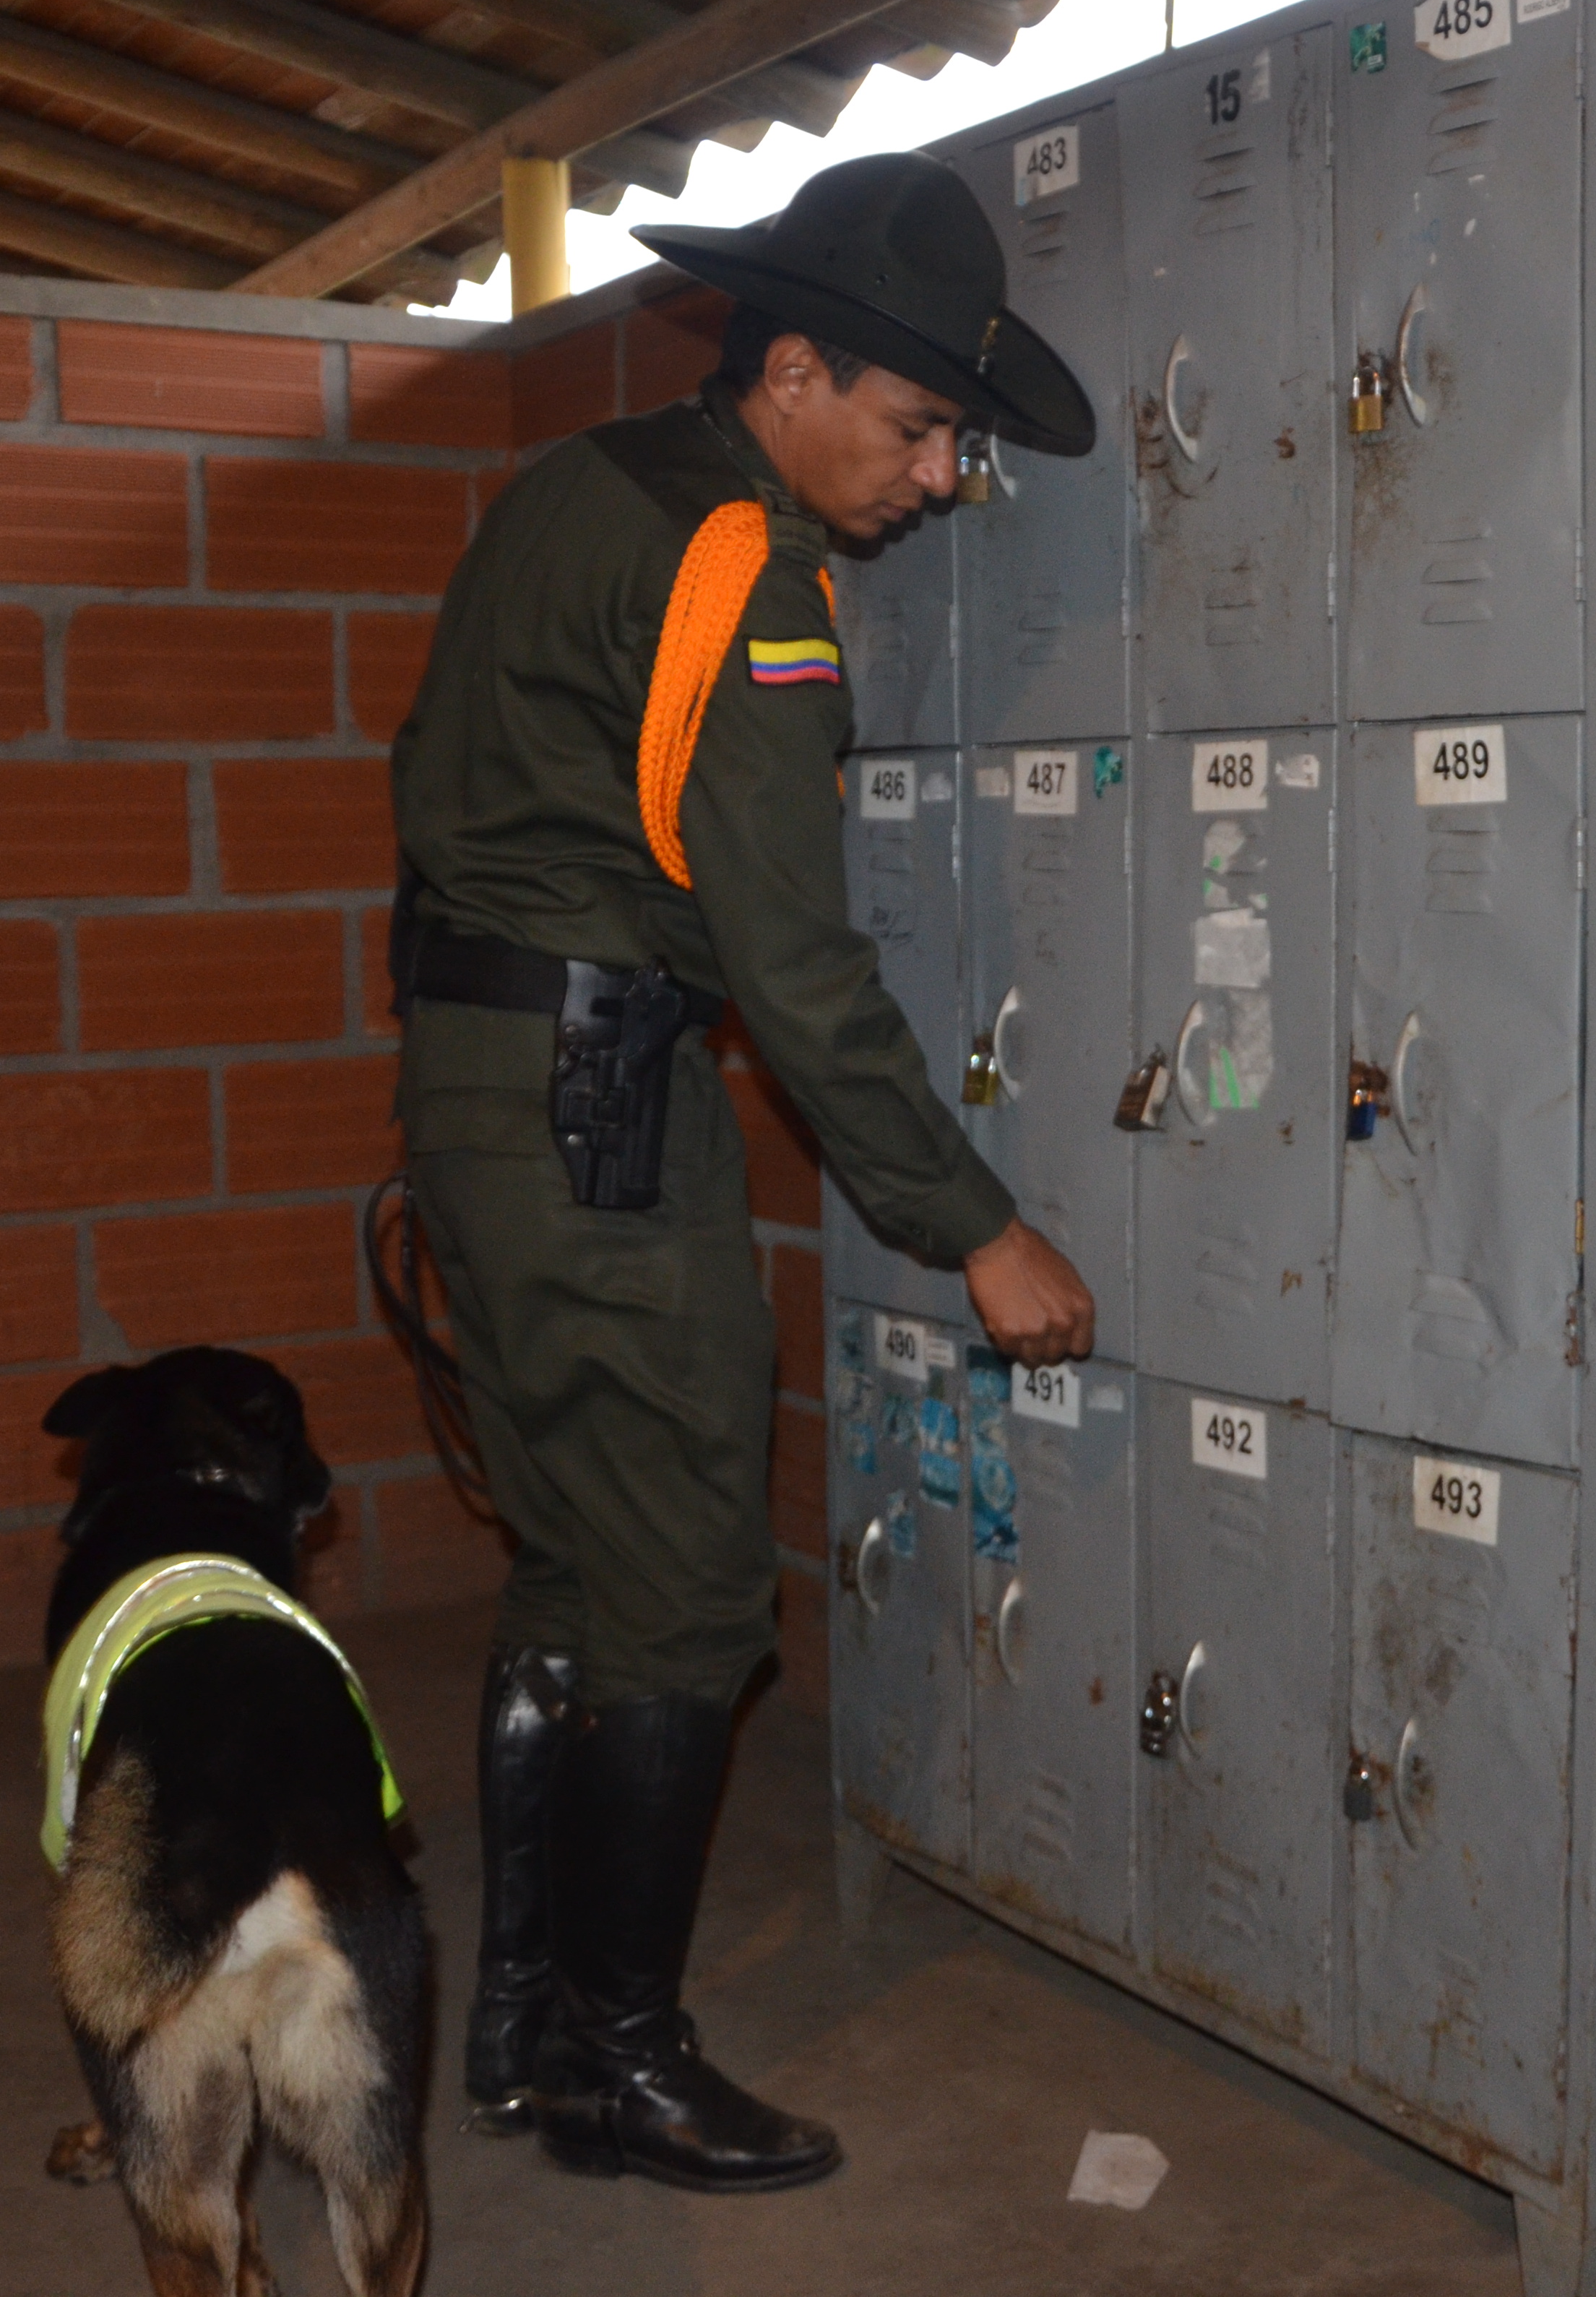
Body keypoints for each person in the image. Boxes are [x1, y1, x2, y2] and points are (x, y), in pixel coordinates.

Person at [386, 151, 1100, 2194]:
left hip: (485, 1082)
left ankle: (523, 2034)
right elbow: (791, 960)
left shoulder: (572, 493)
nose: (942, 473)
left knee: (577, 1568)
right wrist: (975, 1225)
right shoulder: (733, 561)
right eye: (915, 425)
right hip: (598, 1117)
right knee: (692, 1592)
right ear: (791, 372)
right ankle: (625, 2056)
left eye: (953, 434)